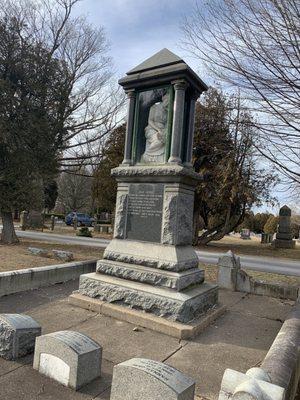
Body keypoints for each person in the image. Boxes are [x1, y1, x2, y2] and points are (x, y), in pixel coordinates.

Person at [141, 93, 169, 163]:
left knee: (167, 139)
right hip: (152, 128)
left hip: (163, 130)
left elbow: (168, 124)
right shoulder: (154, 107)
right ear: (163, 98)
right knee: (158, 139)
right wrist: (158, 130)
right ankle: (146, 156)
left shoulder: (168, 111)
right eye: (167, 99)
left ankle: (157, 159)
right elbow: (150, 121)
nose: (168, 101)